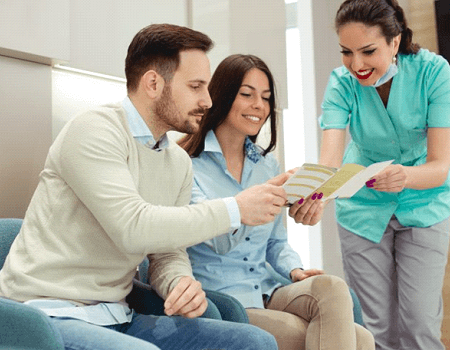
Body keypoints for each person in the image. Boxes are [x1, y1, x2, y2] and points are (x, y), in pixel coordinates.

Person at [0, 24, 283, 350]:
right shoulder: (93, 131)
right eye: (195, 87)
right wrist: (236, 208)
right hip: (47, 316)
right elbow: (134, 227)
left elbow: (167, 250)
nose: (207, 101)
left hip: (118, 315)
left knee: (254, 343)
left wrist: (178, 281)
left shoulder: (177, 162)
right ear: (153, 83)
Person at [179, 53, 375, 350]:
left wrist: (295, 270)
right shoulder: (187, 166)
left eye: (266, 97)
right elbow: (216, 240)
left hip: (270, 289)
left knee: (333, 287)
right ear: (222, 95)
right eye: (247, 94)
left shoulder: (267, 166)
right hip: (224, 298)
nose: (259, 105)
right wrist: (256, 201)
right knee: (359, 339)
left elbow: (275, 243)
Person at [318, 1, 450, 349]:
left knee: (420, 326)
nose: (356, 65)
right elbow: (329, 162)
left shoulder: (433, 72)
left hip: (425, 201)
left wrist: (404, 176)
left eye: (368, 51)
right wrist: (313, 193)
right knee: (374, 330)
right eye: (347, 52)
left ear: (395, 41)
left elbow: (439, 166)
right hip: (361, 207)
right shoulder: (341, 84)